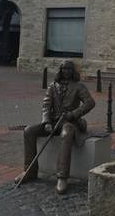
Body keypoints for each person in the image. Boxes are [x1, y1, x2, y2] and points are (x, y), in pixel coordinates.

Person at [15, 60, 95, 194]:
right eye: (64, 69)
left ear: (73, 71)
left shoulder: (79, 87)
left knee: (66, 134)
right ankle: (29, 171)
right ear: (61, 70)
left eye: (69, 69)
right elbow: (46, 106)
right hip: (52, 122)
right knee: (29, 131)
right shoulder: (53, 86)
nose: (66, 72)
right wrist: (46, 122)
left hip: (70, 122)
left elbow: (90, 103)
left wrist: (73, 114)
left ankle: (62, 176)